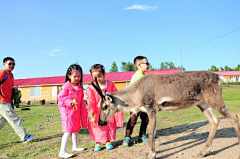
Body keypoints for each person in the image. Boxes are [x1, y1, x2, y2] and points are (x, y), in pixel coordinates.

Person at [85, 64, 124, 151]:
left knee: (109, 125)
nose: (98, 79)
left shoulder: (110, 84)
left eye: (99, 76)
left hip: (108, 110)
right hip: (97, 110)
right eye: (95, 77)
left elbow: (115, 94)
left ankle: (108, 141)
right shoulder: (91, 88)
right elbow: (90, 100)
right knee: (97, 127)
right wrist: (92, 112)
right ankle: (97, 143)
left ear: (104, 74)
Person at [0, 57, 34, 143]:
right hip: (2, 101)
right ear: (4, 64)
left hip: (7, 101)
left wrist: (13, 89)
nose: (12, 65)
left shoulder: (11, 76)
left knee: (1, 122)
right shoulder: (2, 73)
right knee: (14, 119)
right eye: (9, 64)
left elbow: (5, 87)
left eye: (13, 64)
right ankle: (25, 138)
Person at [58, 64, 88, 158]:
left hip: (76, 112)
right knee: (68, 130)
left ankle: (75, 146)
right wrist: (69, 102)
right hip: (67, 113)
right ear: (69, 76)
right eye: (75, 76)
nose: (77, 78)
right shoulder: (66, 87)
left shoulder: (79, 87)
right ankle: (62, 151)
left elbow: (81, 100)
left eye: (79, 76)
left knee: (75, 129)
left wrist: (84, 109)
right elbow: (61, 98)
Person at [122, 56, 150, 146]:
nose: (148, 65)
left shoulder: (146, 77)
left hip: (145, 103)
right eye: (146, 63)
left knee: (145, 119)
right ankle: (127, 137)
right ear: (139, 65)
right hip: (136, 104)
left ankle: (142, 135)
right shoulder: (136, 76)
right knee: (133, 120)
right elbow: (132, 90)